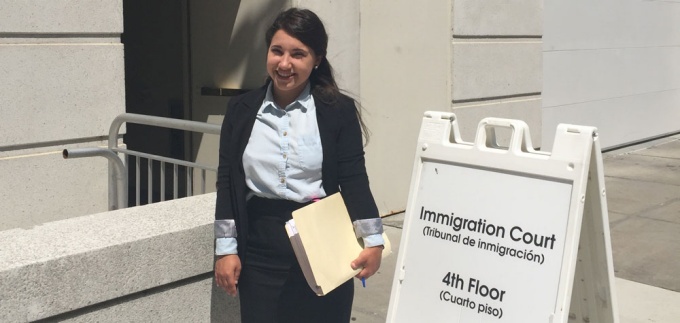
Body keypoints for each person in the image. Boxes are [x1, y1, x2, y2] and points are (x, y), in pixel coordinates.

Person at [213, 8, 385, 323]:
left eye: (298, 54)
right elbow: (227, 181)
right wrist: (226, 249)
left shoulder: (337, 111)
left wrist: (373, 241)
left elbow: (354, 178)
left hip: (323, 241)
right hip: (260, 247)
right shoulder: (240, 110)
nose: (285, 63)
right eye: (277, 51)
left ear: (317, 59)